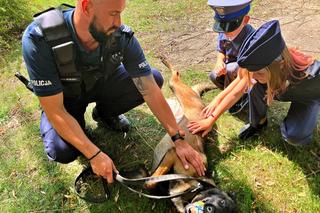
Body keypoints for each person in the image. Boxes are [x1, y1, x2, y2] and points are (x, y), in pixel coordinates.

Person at [22, 0, 205, 183]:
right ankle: (77, 127)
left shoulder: (120, 35)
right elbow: (55, 110)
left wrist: (177, 138)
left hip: (104, 83)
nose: (118, 22)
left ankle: (103, 114)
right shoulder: (40, 39)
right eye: (112, 14)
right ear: (86, 6)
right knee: (61, 150)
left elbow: (149, 89)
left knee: (154, 79)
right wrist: (93, 154)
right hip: (66, 99)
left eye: (120, 12)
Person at [188, 20, 319, 147]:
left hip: (307, 96)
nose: (253, 77)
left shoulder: (312, 75)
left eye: (259, 73)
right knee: (254, 85)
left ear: (281, 65)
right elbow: (238, 86)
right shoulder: (260, 67)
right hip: (277, 84)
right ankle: (259, 122)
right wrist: (212, 114)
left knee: (294, 136)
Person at [207, 0, 255, 114]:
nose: (225, 31)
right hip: (230, 67)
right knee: (214, 75)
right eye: (222, 26)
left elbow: (249, 69)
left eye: (230, 27)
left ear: (245, 20)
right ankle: (231, 95)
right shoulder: (224, 31)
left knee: (232, 69)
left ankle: (239, 97)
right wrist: (219, 62)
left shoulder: (251, 36)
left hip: (246, 71)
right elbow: (221, 49)